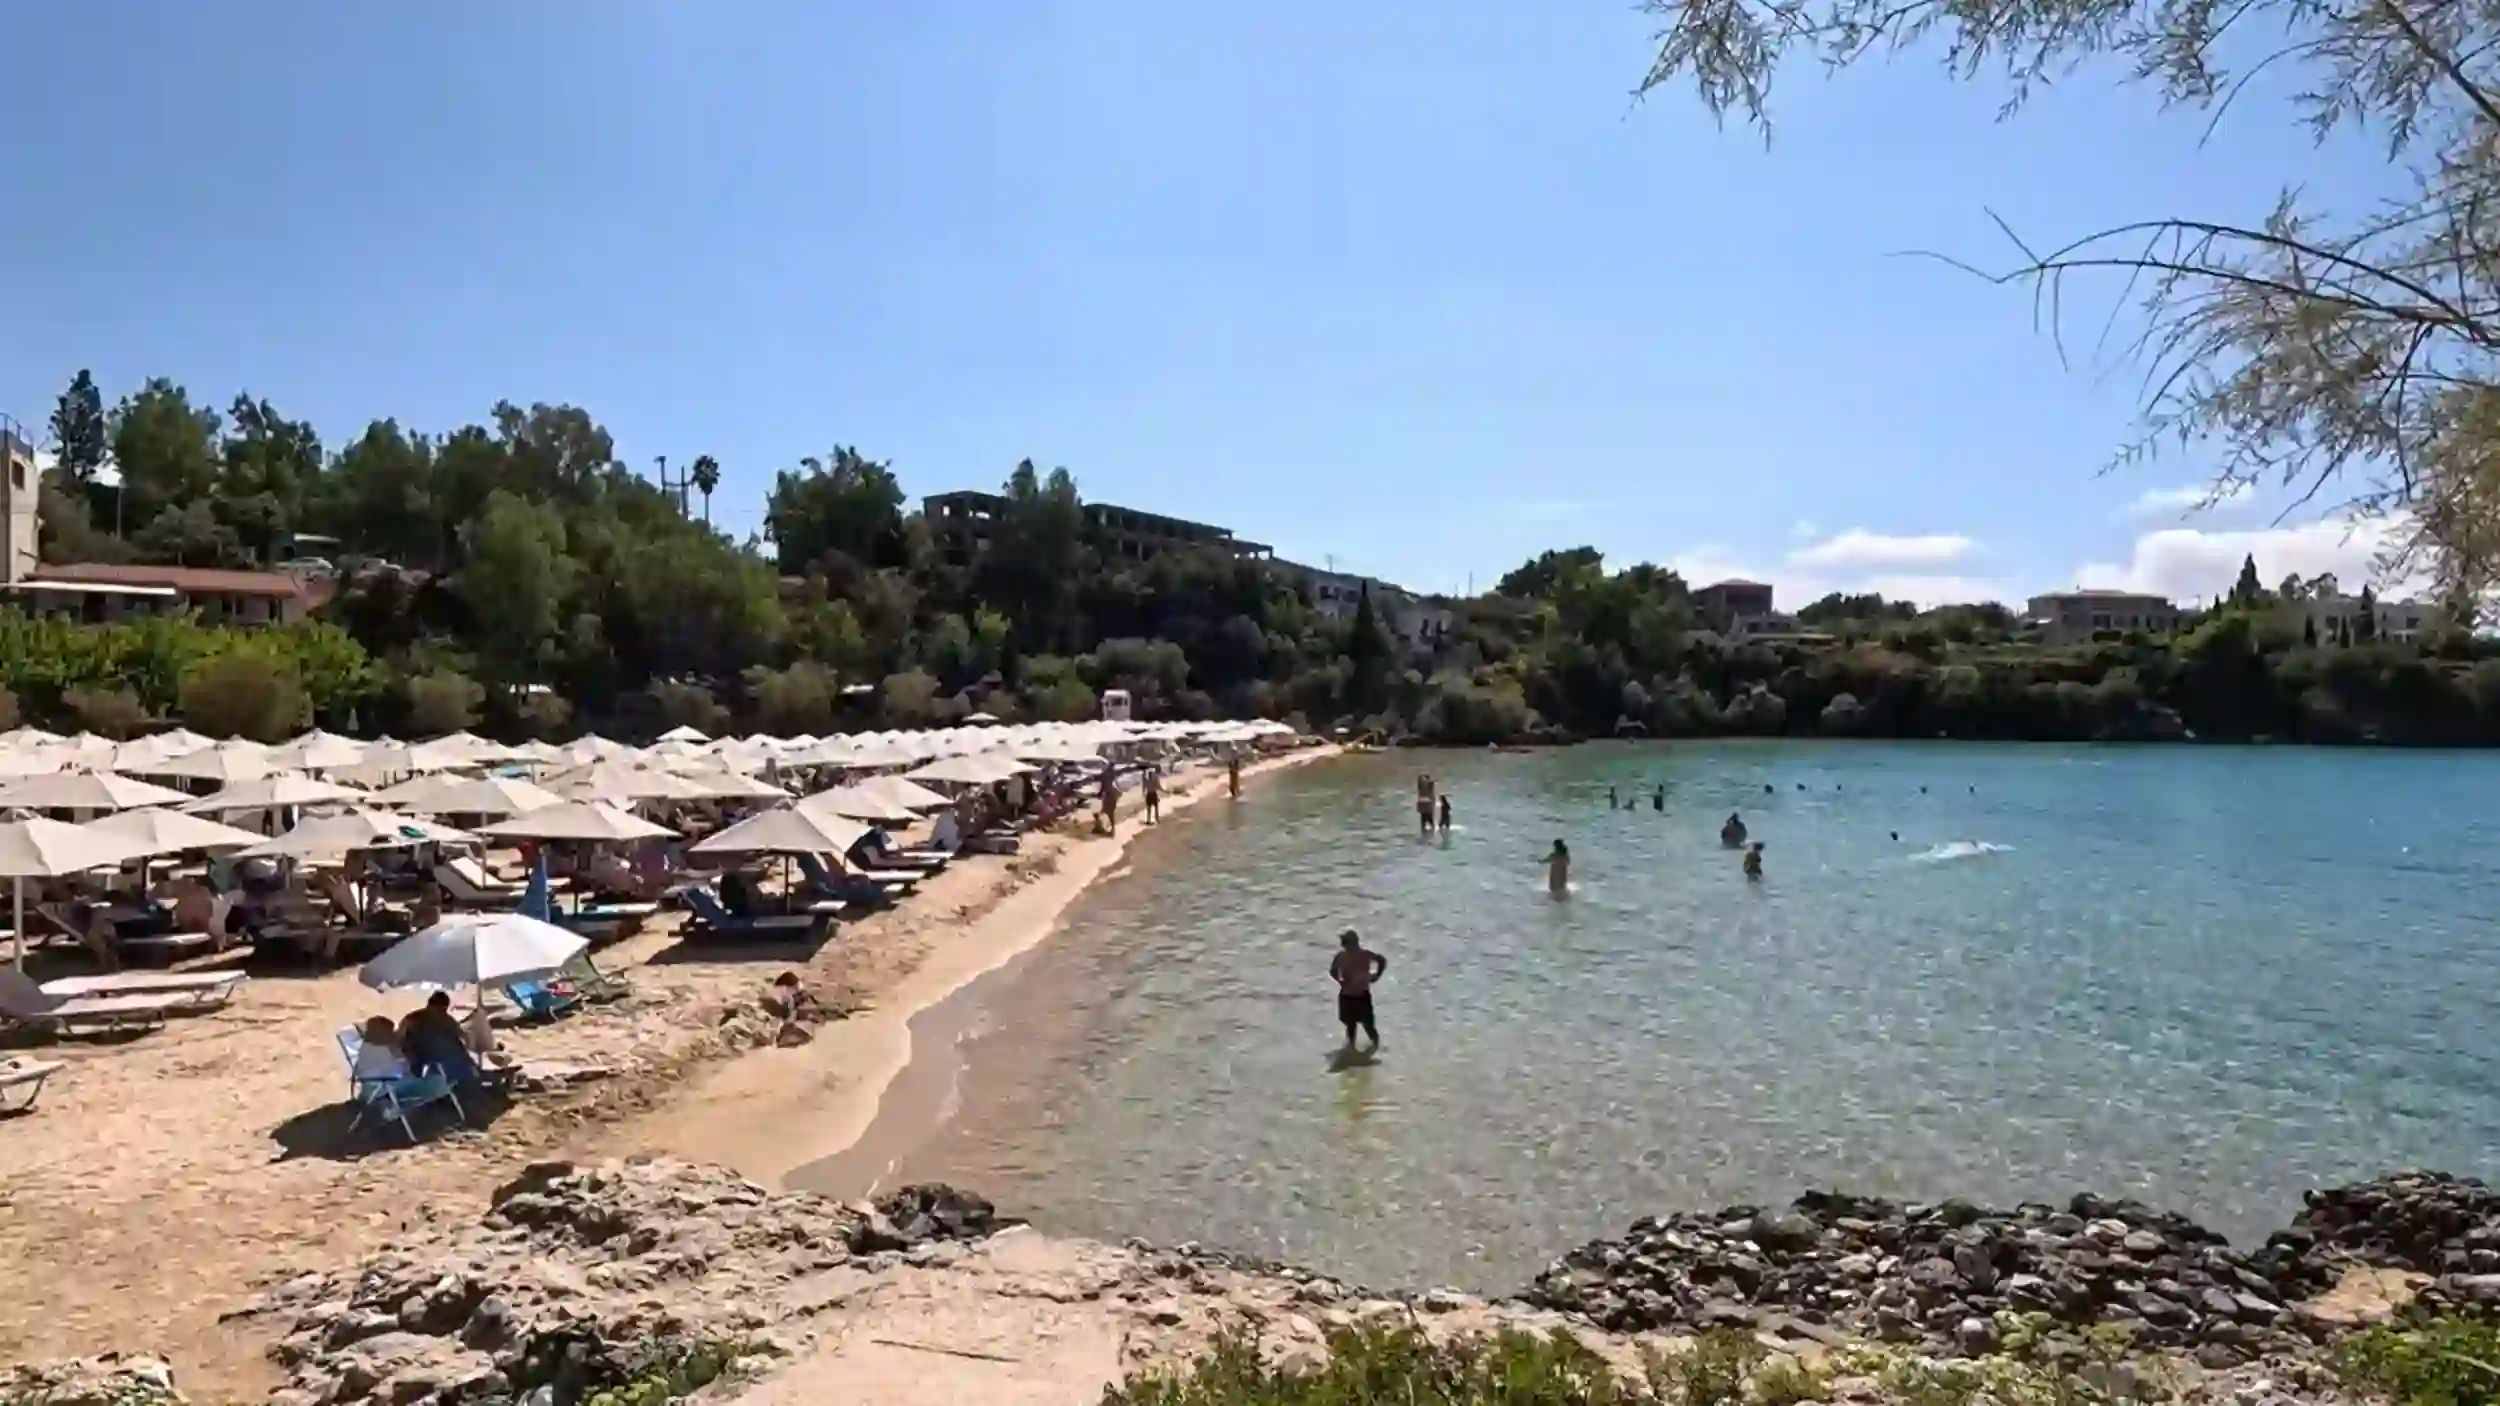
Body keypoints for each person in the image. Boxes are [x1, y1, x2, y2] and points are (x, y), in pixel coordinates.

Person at [400, 992, 481, 1086]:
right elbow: (461, 1038)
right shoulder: (446, 1020)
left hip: (423, 1058)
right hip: (431, 1057)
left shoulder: (412, 1018)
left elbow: (399, 1037)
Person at [1329, 929, 1386, 1051]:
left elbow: (1382, 960)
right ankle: (1356, 1049)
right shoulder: (1350, 956)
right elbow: (1381, 960)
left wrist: (1377, 976)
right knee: (1355, 1026)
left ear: (1352, 943)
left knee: (1365, 1026)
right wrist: (1340, 981)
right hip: (1352, 995)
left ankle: (1371, 1048)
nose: (1343, 944)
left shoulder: (1350, 956)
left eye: (1344, 942)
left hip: (1357, 996)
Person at [352, 1016, 410, 1081]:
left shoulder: (365, 1046)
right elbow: (402, 1066)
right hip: (390, 1078)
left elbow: (358, 1068)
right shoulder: (389, 1047)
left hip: (366, 1078)